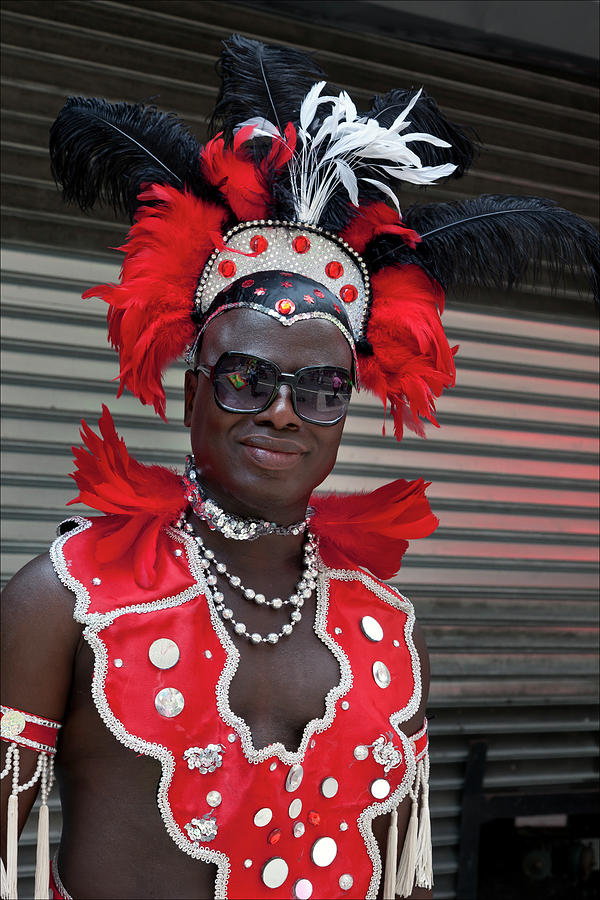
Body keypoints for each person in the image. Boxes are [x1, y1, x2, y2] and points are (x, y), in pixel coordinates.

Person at [1, 33, 597, 900]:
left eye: (321, 389)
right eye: (248, 377)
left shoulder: (389, 626)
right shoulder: (62, 599)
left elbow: (406, 879)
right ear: (195, 384)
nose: (283, 408)